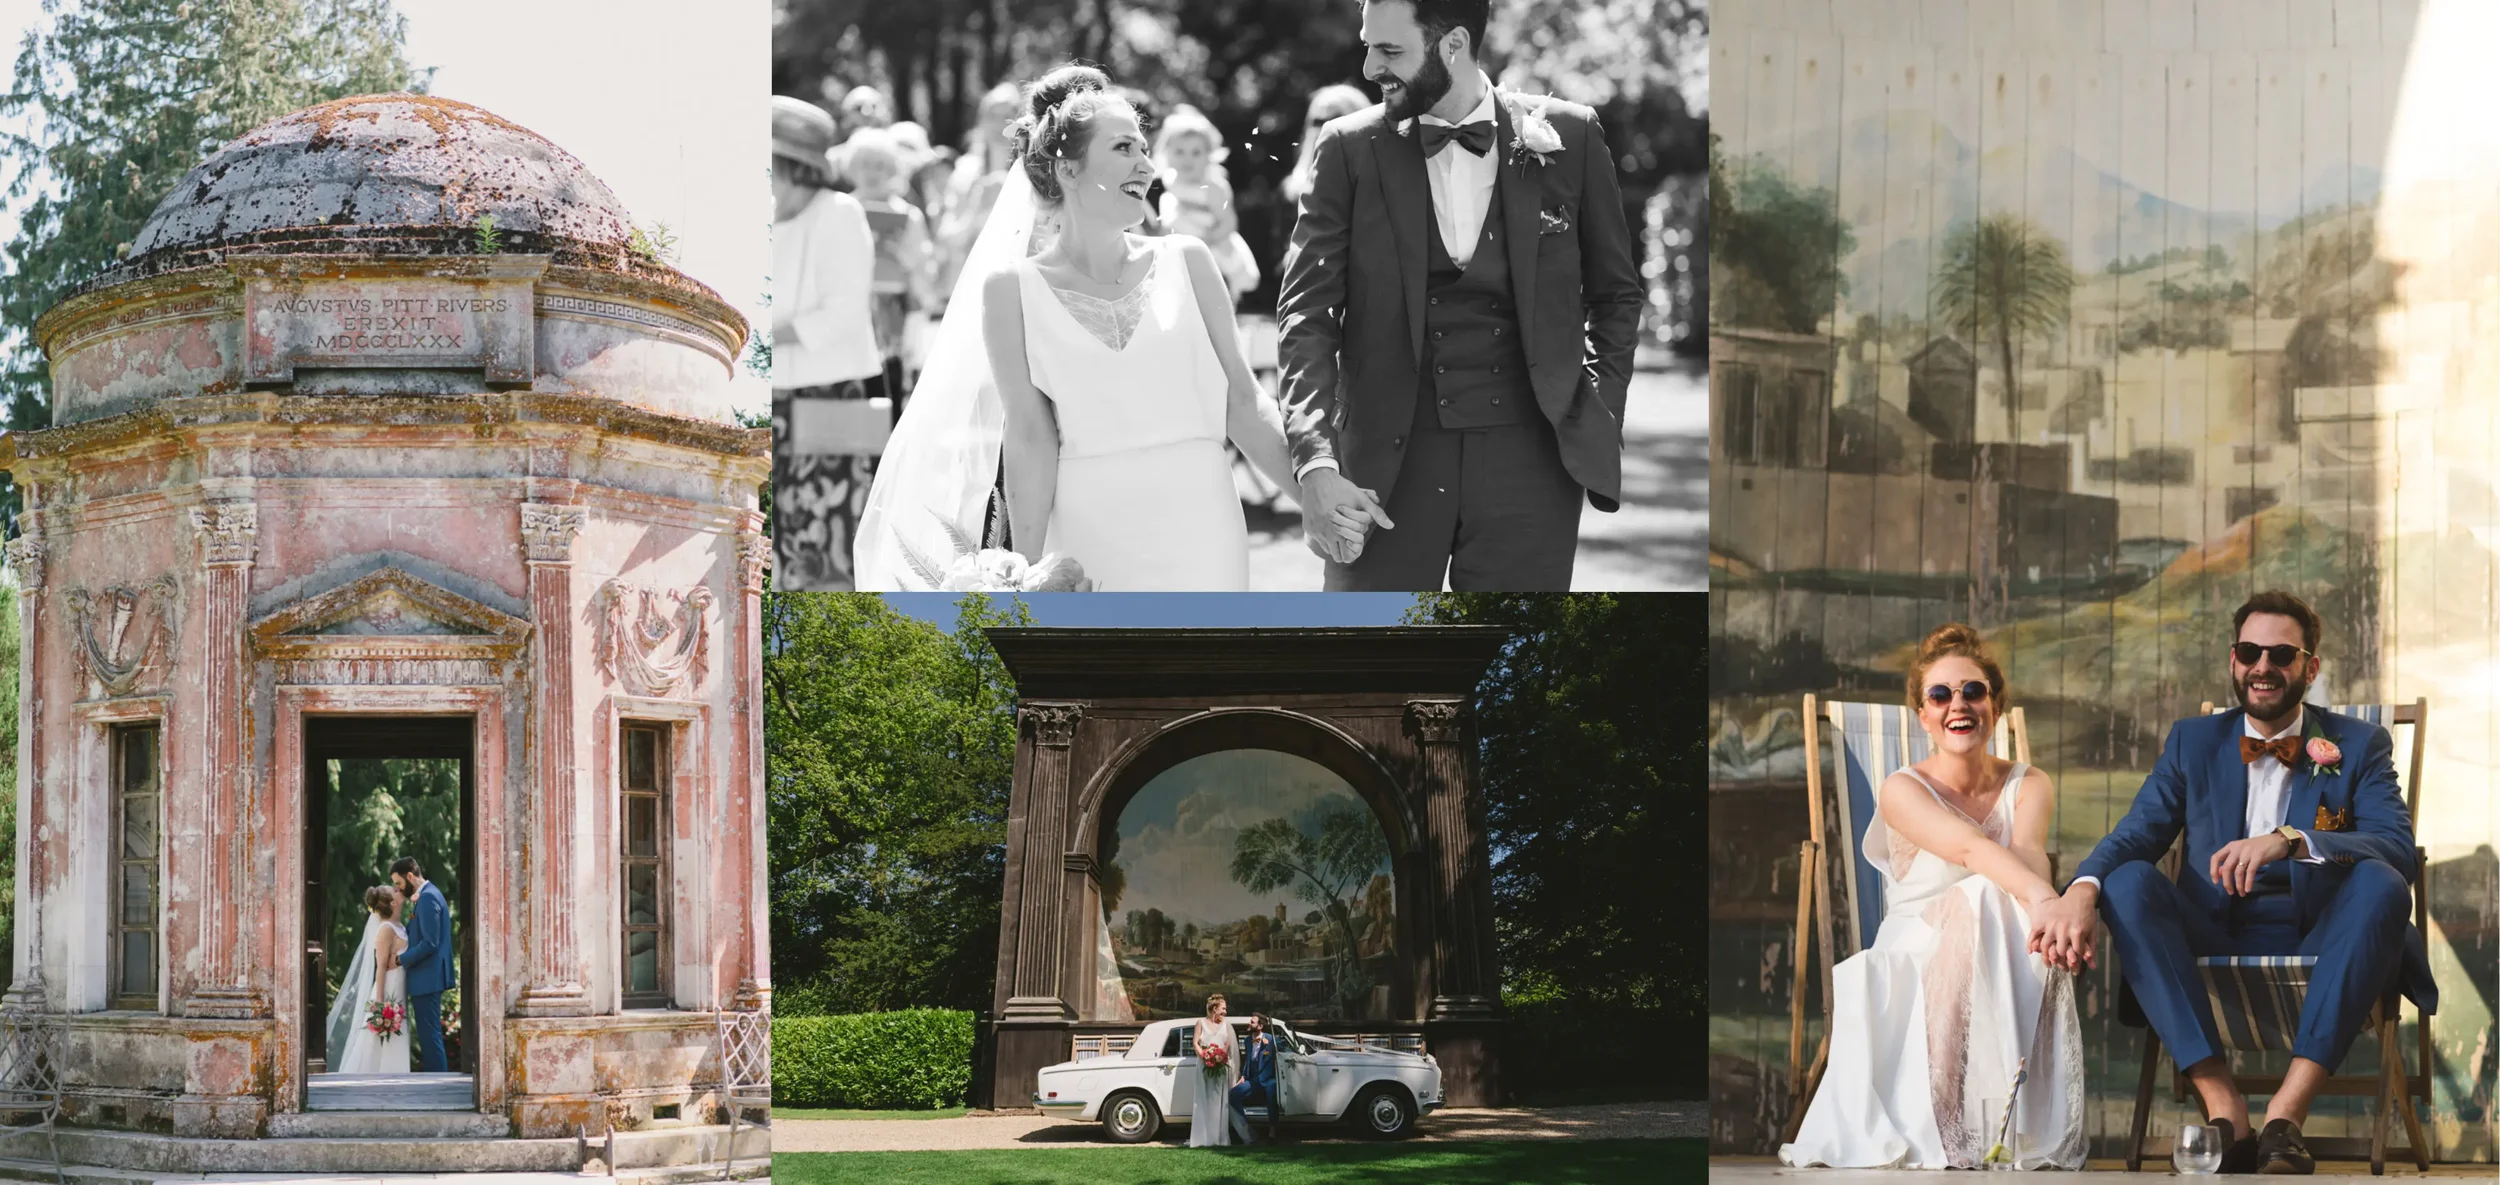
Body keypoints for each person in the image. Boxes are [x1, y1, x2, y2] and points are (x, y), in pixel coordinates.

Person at [855, 65, 1356, 590]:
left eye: (1144, 148)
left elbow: (1243, 401)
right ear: (1068, 169)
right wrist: (1023, 575)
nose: (1147, 164)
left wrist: (1320, 500)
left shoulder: (1188, 260)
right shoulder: (1011, 290)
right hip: (1087, 539)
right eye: (1123, 148)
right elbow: (1029, 436)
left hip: (1204, 528)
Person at [2029, 591, 2433, 1176]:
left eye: (2282, 654)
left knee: (2383, 883)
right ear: (2233, 660)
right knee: (2128, 881)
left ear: (2310, 668)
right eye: (2249, 652)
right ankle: (2227, 1110)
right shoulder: (2193, 741)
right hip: (2212, 931)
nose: (2263, 666)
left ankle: (2285, 1117)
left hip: (2324, 937)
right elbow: (2138, 832)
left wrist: (2290, 838)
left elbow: (2396, 847)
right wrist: (2081, 889)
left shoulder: (2359, 745)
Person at [1277, 0, 1645, 590]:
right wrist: (1316, 461)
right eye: (1369, 46)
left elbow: (1616, 296)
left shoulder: (1571, 135)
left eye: (1390, 50)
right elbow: (1306, 315)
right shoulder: (1347, 147)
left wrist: (1595, 410)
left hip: (1533, 468)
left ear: (1453, 45)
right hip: (1383, 472)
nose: (1370, 68)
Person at [1779, 624, 2085, 1170]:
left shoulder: (2030, 783)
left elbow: (2029, 857)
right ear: (1923, 715)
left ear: (1995, 705)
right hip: (1915, 951)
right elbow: (1969, 848)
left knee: (1998, 900)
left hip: (2004, 945)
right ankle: (1945, 1115)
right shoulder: (1901, 789)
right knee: (1984, 892)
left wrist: (2048, 907)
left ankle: (2009, 1122)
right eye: (1939, 695)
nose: (1957, 705)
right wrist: (2052, 906)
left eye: (1973, 691)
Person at [772, 95, 884, 590]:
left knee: (835, 535)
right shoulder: (765, 217)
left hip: (837, 392)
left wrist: (767, 335)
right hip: (776, 397)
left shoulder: (840, 211)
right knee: (781, 533)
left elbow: (845, 310)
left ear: (786, 162)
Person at [844, 128, 938, 405]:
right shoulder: (842, 209)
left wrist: (903, 255)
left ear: (893, 170)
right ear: (853, 168)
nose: (872, 173)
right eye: (865, 164)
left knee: (893, 385)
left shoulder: (909, 215)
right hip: (851, 306)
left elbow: (925, 273)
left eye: (880, 165)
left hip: (896, 309)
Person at [1154, 106, 1260, 301]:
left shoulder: (1213, 187)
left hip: (1212, 248)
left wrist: (1208, 240)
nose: (1187, 159)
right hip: (1182, 249)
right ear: (1166, 152)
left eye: (1196, 153)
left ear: (1210, 154)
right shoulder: (1170, 180)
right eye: (1179, 152)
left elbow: (1229, 222)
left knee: (1216, 293)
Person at [323, 885, 411, 1075]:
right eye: (394, 891)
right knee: (377, 1036)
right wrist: (380, 1002)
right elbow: (381, 966)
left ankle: (397, 1072)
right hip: (388, 987)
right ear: (393, 903)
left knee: (397, 1032)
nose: (398, 889)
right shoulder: (385, 929)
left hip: (400, 985)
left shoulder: (400, 926)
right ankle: (375, 1073)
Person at [390, 857, 457, 1074]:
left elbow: (430, 943)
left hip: (428, 977)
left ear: (410, 876)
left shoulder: (428, 898)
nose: (398, 888)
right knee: (429, 1034)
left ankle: (439, 1084)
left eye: (399, 883)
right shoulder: (426, 896)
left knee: (430, 1036)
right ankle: (437, 1081)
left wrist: (401, 959)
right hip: (427, 976)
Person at [1282, 84, 1370, 205]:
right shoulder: (1292, 194)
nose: (1325, 128)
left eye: (1335, 119)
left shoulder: (1386, 180)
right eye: (1318, 122)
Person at [1190, 994, 1238, 1147]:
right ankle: (1201, 1138)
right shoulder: (1201, 1023)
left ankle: (1218, 1138)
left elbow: (1227, 1045)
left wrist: (1220, 1057)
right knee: (1203, 1099)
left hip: (1220, 1066)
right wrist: (1205, 1056)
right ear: (1214, 1008)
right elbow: (1195, 1043)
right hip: (1203, 1066)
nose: (1225, 1012)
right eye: (1223, 1008)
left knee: (1218, 1100)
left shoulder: (1226, 1025)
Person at [1228, 1012, 1279, 1143]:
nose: (1249, 1024)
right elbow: (1248, 1061)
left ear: (1260, 1026)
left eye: (1252, 1022)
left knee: (1272, 1094)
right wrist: (1244, 1076)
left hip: (1268, 1079)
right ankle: (1245, 1129)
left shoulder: (1270, 1039)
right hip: (1253, 1080)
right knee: (1233, 1094)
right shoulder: (1247, 1041)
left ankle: (1272, 1132)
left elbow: (1282, 1051)